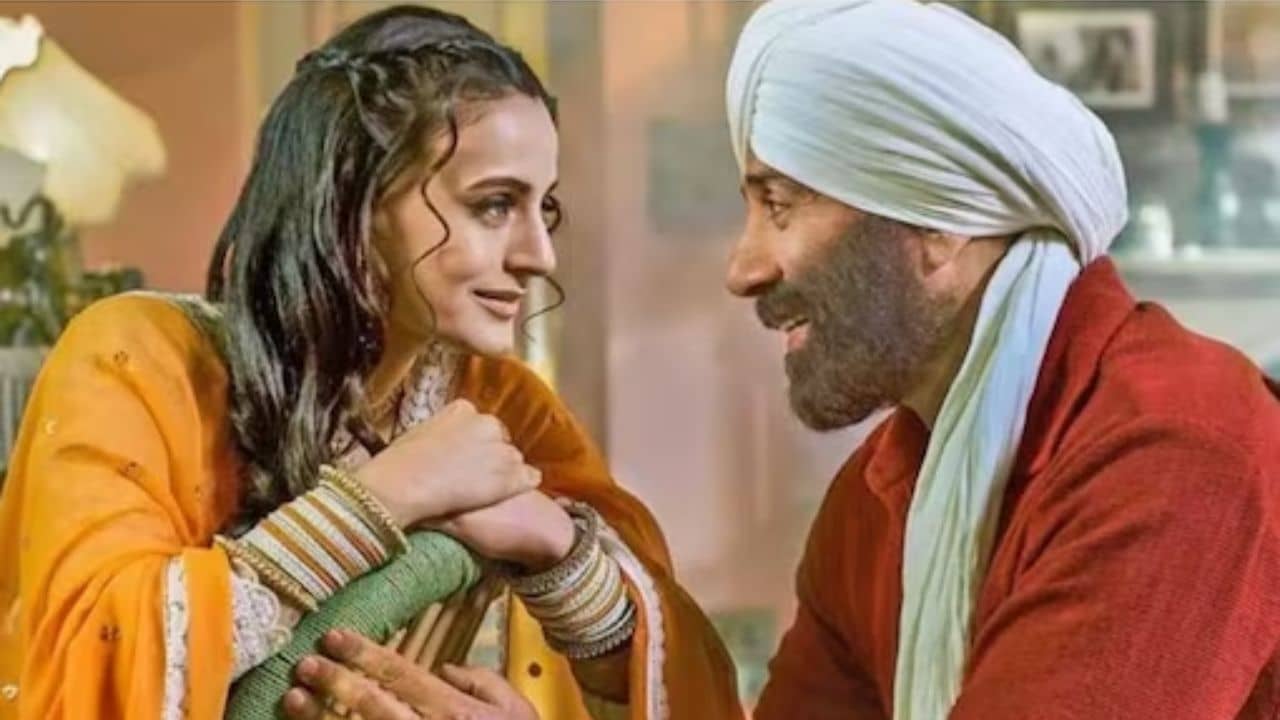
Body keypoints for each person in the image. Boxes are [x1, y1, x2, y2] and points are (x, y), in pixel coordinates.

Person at [0, 6, 740, 720]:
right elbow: (86, 667)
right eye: (493, 204)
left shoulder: (502, 409)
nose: (538, 255)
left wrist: (556, 545)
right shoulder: (141, 364)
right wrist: (382, 498)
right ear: (354, 200)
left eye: (543, 207)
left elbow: (670, 679)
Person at [721, 1, 1280, 719]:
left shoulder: (1177, 453)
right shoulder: (876, 495)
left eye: (780, 204)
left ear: (939, 224)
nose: (744, 269)